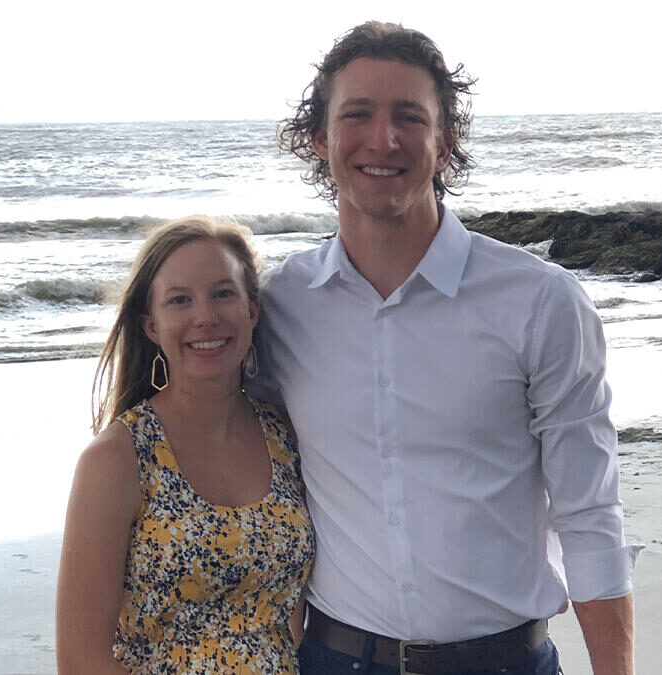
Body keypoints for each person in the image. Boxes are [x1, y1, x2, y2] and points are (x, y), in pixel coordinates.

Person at [247, 21, 641, 675]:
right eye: (358, 115)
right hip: (333, 660)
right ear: (319, 139)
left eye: (409, 116)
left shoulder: (540, 303)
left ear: (445, 143)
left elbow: (590, 513)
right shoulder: (281, 305)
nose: (384, 139)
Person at [56, 217, 314, 674]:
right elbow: (81, 659)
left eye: (223, 293)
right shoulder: (119, 458)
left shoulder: (288, 437)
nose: (205, 316)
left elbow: (287, 620)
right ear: (152, 325)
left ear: (252, 310)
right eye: (180, 300)